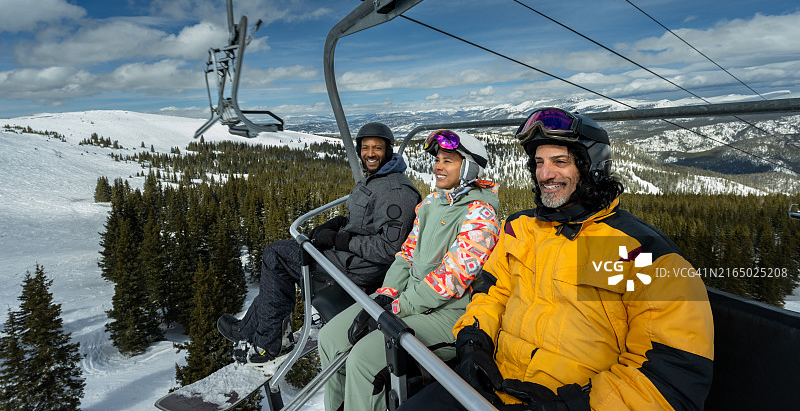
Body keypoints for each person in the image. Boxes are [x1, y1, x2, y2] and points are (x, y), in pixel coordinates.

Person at [400, 108, 714, 411]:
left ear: (592, 167)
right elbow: (491, 294)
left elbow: (671, 378)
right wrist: (473, 341)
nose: (545, 174)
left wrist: (573, 405)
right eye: (538, 163)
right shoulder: (521, 229)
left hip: (574, 398)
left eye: (559, 161)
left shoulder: (642, 252)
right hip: (489, 383)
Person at [317, 129, 501, 411]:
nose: (438, 166)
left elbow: (450, 281)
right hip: (407, 301)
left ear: (469, 168)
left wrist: (397, 308)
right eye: (437, 159)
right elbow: (405, 255)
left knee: (364, 358)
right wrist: (386, 294)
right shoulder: (431, 203)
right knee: (330, 338)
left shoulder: (480, 215)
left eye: (448, 160)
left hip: (448, 315)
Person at [217, 122, 421, 370]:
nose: (370, 153)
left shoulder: (396, 191)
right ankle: (249, 328)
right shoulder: (378, 179)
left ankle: (270, 343)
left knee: (276, 255)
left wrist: (339, 239)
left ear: (388, 150)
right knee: (284, 257)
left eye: (377, 148)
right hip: (348, 258)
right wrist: (337, 224)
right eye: (365, 147)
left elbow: (390, 249)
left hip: (356, 269)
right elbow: (367, 221)